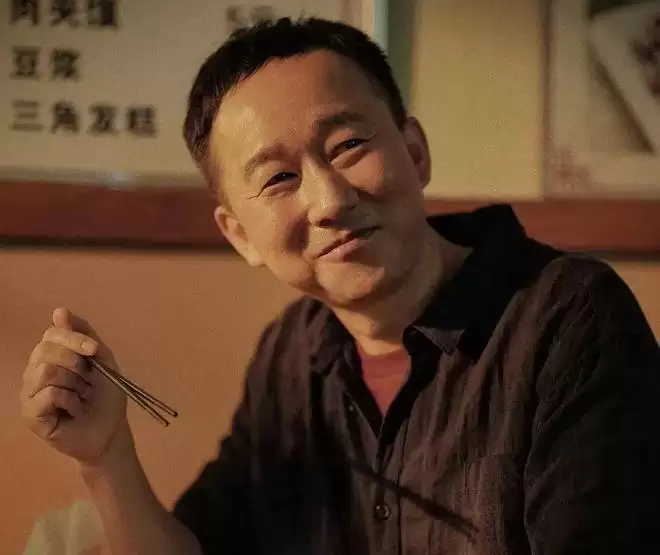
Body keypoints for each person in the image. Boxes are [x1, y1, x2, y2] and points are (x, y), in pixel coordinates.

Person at [19, 16, 660, 555]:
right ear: (240, 235)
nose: (329, 200)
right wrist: (106, 455)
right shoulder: (291, 356)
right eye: (278, 179)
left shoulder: (568, 316)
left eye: (349, 145)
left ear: (414, 152)